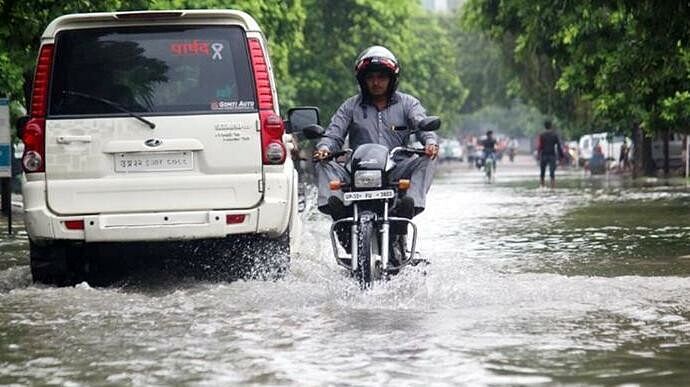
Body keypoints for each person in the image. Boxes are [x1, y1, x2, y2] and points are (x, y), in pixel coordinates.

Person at [312, 45, 439, 264]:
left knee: (427, 159)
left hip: (395, 171)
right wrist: (324, 149)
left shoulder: (408, 104)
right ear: (363, 80)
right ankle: (340, 212)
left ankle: (405, 211)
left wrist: (430, 142)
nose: (376, 82)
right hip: (356, 172)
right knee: (322, 164)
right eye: (371, 77)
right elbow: (334, 135)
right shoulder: (349, 107)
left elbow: (422, 125)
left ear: (392, 79)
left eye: (382, 77)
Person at [536, 120, 564, 188]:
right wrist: (561, 156)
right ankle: (553, 188)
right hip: (552, 155)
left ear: (544, 126)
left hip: (544, 155)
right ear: (551, 126)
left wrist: (538, 155)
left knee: (542, 173)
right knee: (552, 173)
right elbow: (559, 146)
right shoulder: (554, 135)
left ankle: (542, 186)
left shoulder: (541, 135)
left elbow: (540, 146)